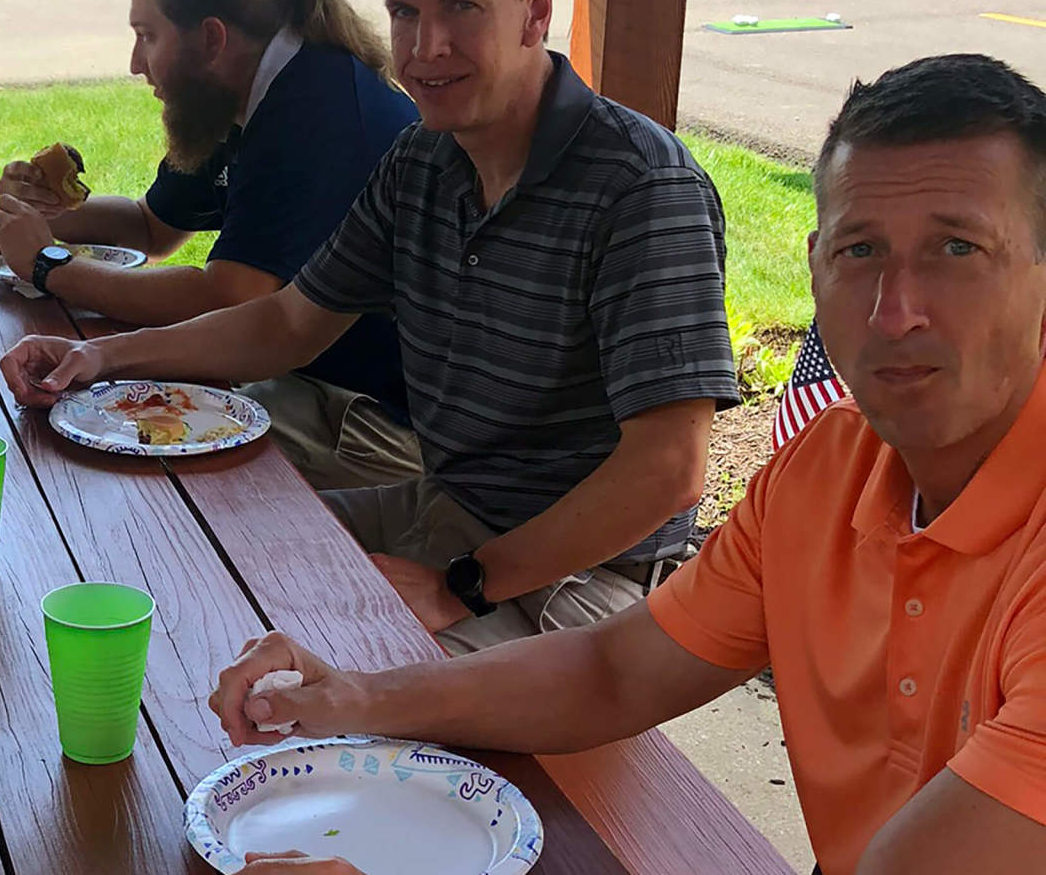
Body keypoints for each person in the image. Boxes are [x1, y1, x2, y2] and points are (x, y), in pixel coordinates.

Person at [207, 54, 1046, 875]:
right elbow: (613, 673)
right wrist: (356, 697)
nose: (895, 311)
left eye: (958, 249)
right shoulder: (827, 470)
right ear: (816, 264)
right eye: (860, 251)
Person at [0, 0, 739, 654]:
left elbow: (669, 470)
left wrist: (460, 586)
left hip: (580, 577)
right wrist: (100, 358)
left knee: (319, 686)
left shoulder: (642, 188)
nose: (425, 48)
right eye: (404, 12)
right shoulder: (422, 160)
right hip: (448, 505)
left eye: (462, 7)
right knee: (180, 550)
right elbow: (285, 324)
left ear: (537, 12)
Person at [0, 0, 422, 490]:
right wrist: (44, 217)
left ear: (212, 38)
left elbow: (233, 296)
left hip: (369, 418)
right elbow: (152, 227)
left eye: (148, 36)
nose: (135, 63)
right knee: (96, 425)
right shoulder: (237, 90)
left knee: (124, 468)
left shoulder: (314, 114)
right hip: (298, 378)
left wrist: (50, 265)